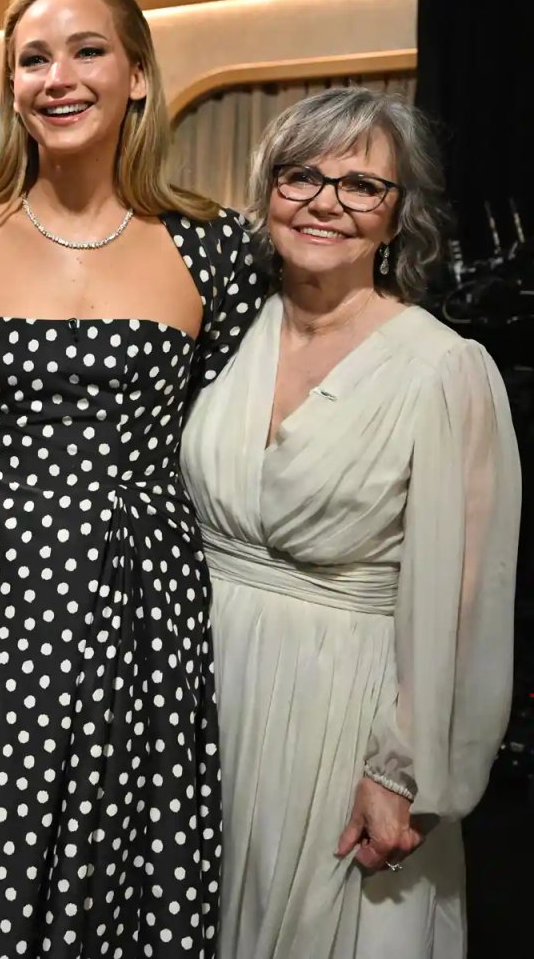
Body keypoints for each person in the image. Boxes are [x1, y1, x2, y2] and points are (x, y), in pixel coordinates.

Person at [0, 0, 265, 957]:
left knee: (123, 852)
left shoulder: (214, 248)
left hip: (145, 595)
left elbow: (228, 441)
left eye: (86, 50)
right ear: (11, 86)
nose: (58, 76)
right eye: (31, 58)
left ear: (136, 74)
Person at [180, 87, 519, 959]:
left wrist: (405, 773)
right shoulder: (219, 336)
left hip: (347, 709)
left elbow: (464, 597)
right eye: (302, 175)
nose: (326, 202)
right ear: (267, 191)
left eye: (362, 186)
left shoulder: (443, 369)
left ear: (398, 216)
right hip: (198, 699)